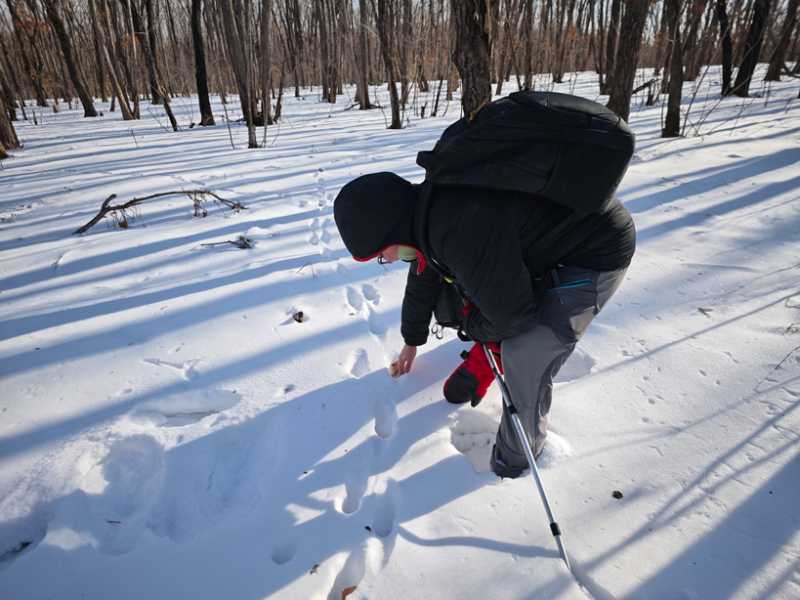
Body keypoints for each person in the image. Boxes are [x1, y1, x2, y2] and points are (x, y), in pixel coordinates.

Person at [334, 171, 635, 478]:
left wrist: (470, 325)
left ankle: (516, 458)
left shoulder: (455, 229)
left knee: (527, 351)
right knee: (481, 301)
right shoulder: (423, 216)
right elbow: (423, 279)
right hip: (548, 243)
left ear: (392, 229)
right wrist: (411, 341)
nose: (387, 259)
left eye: (381, 254)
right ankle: (485, 359)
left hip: (595, 251)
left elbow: (511, 316)